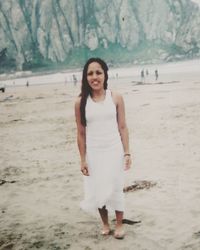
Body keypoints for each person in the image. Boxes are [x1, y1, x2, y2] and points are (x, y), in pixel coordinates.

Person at [75, 58, 131, 239]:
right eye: (90, 73)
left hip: (114, 150)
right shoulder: (80, 103)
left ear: (105, 74)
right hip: (94, 152)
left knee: (116, 186)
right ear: (85, 78)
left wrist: (127, 152)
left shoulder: (116, 97)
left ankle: (120, 224)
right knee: (97, 188)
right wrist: (83, 159)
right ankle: (106, 223)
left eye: (98, 72)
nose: (95, 77)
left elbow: (122, 126)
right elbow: (81, 133)